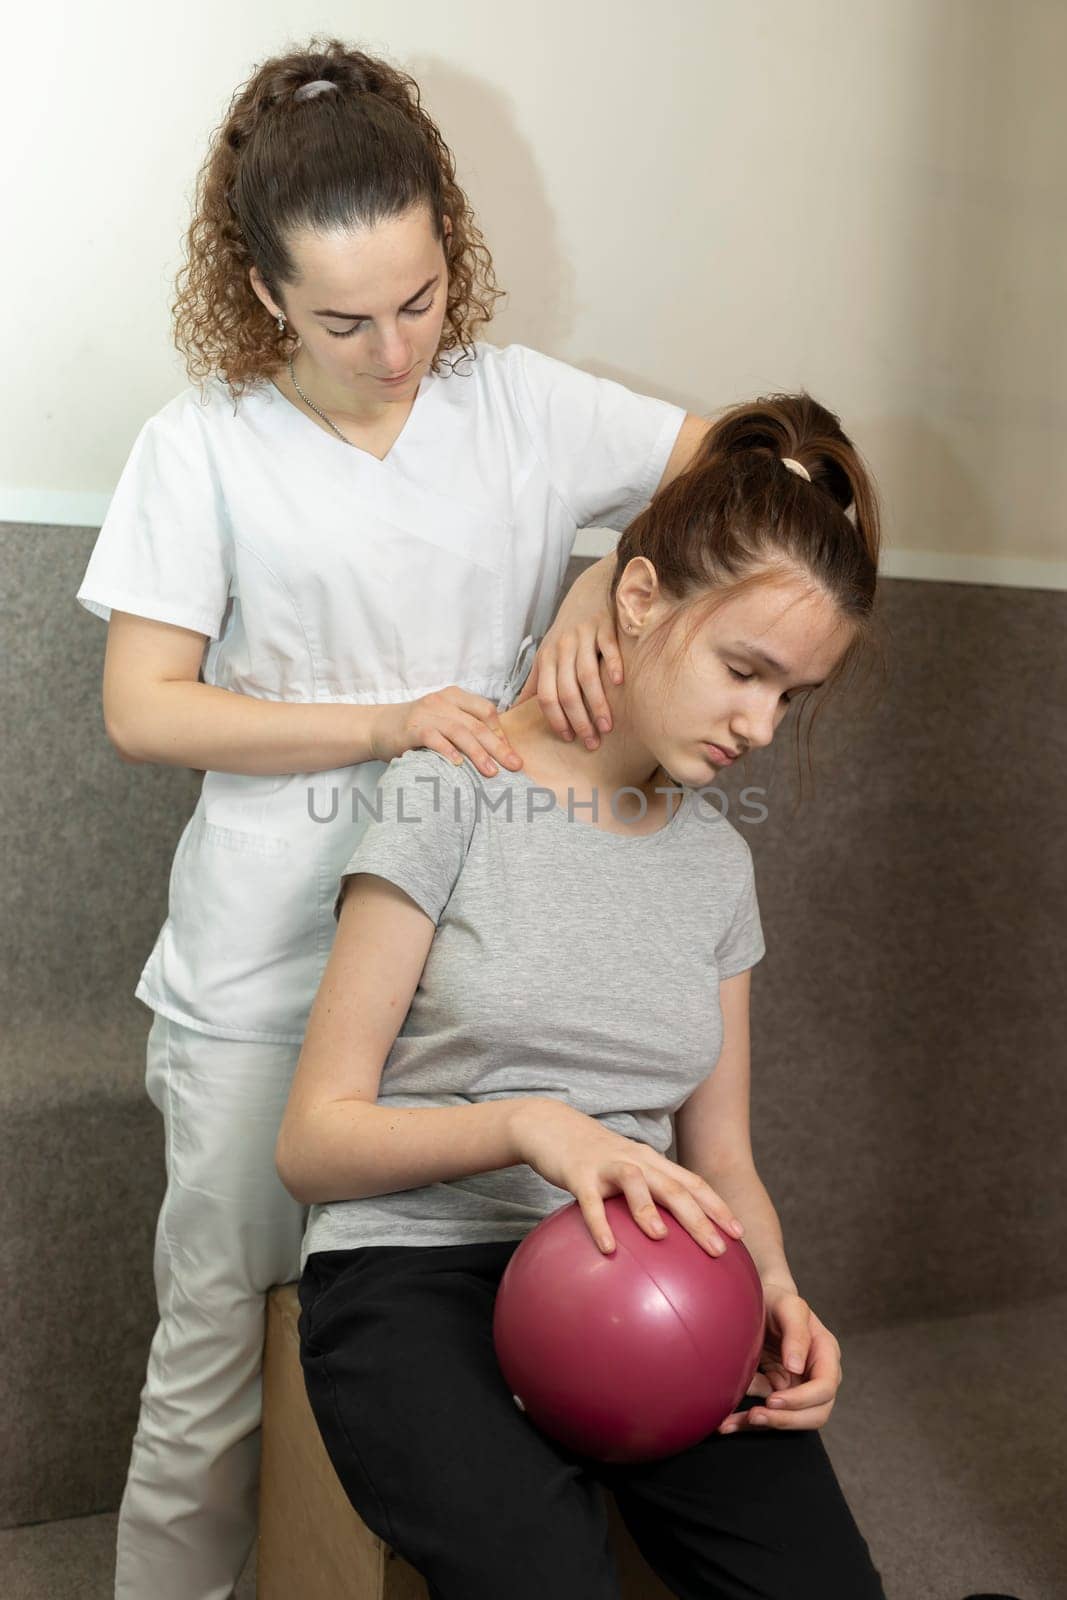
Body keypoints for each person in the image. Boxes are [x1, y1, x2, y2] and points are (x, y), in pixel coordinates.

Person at [75, 36, 716, 1600]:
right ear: (260, 288)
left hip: (459, 979)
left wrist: (593, 569)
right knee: (214, 1351)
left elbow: (723, 456)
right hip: (261, 975)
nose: (393, 349)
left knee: (445, 1340)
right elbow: (143, 705)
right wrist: (389, 718)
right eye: (343, 318)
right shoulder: (203, 444)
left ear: (453, 247)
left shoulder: (517, 407)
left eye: (421, 299)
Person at [277, 392, 892, 1599]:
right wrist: (529, 1125)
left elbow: (724, 1165)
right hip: (413, 1272)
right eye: (743, 670)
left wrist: (769, 1291)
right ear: (639, 596)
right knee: (546, 1576)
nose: (760, 725)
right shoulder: (446, 786)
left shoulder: (718, 862)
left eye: (791, 696)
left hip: (655, 1279)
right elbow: (312, 1141)